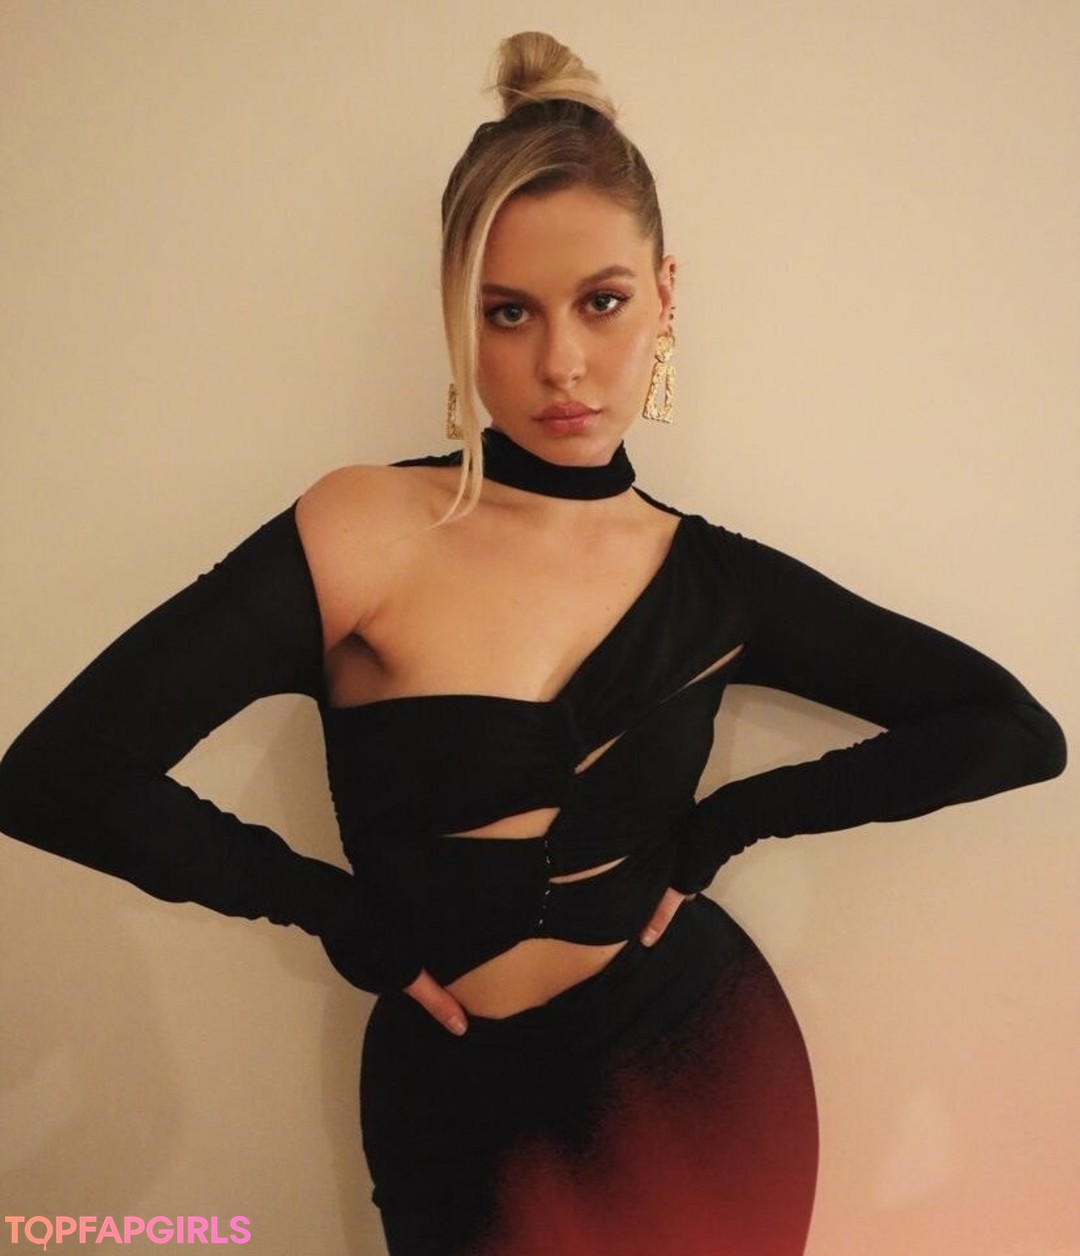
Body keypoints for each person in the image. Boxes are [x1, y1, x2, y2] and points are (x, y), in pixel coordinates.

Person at [0, 30, 1066, 1256]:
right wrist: (327, 909)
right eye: (508, 312)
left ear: (665, 295)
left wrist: (731, 821)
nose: (561, 361)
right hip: (456, 1113)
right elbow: (58, 774)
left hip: (697, 1073)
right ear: (458, 315)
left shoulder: (718, 582)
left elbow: (1014, 730)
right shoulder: (362, 529)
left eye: (601, 302)